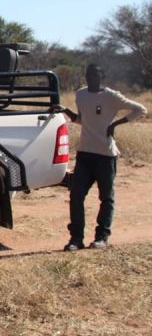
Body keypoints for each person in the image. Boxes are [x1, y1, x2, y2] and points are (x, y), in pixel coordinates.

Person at [59, 63, 147, 251]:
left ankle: (102, 237)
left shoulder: (111, 96)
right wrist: (65, 110)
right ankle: (76, 239)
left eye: (95, 75)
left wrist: (115, 124)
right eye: (88, 75)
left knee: (106, 198)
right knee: (76, 195)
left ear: (102, 77)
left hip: (105, 155)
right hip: (85, 154)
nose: (91, 78)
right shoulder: (81, 94)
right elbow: (83, 120)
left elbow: (140, 109)